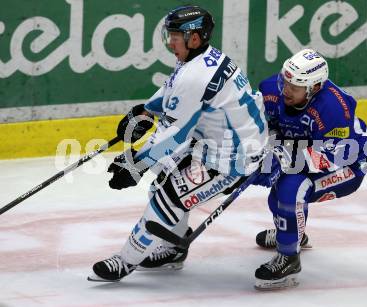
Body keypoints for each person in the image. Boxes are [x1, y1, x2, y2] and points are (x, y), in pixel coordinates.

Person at [88, 5, 268, 282]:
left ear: (194, 38)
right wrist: (147, 111)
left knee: (167, 198)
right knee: (163, 180)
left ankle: (125, 262)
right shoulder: (203, 59)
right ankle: (173, 249)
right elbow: (175, 89)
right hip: (221, 145)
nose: (169, 41)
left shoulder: (196, 73)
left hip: (232, 159)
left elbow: (175, 135)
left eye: (174, 35)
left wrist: (137, 164)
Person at [251, 48, 367, 290]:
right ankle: (296, 235)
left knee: (290, 188)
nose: (286, 89)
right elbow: (264, 125)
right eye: (286, 82)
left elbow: (337, 154)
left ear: (314, 88)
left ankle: (289, 258)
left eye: (295, 87)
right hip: (304, 150)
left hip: (349, 164)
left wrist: (284, 158)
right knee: (277, 193)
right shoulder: (272, 89)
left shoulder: (334, 107)